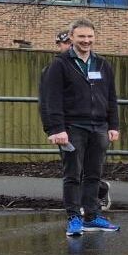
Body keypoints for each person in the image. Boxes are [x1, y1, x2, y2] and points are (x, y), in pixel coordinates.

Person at [38, 18, 120, 237]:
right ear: (72, 37)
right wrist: (56, 129)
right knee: (73, 175)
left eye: (90, 37)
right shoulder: (60, 64)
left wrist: (113, 125)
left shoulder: (103, 64)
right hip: (73, 127)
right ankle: (74, 218)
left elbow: (111, 97)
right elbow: (51, 99)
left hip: (99, 127)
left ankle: (92, 216)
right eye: (81, 36)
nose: (86, 41)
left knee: (94, 174)